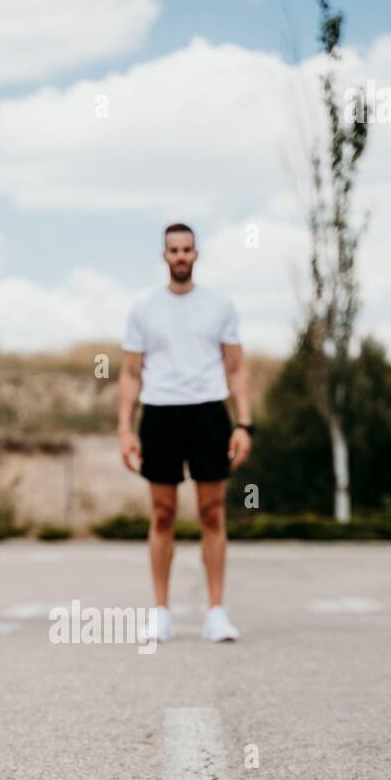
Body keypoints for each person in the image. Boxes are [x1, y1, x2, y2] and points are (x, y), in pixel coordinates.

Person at [117, 222, 252, 642]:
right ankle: (161, 612)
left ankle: (216, 612)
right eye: (173, 250)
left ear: (196, 255)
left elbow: (235, 366)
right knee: (163, 514)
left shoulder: (219, 305)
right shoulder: (143, 308)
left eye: (187, 250)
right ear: (164, 256)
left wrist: (244, 423)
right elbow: (129, 373)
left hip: (209, 412)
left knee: (212, 514)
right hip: (159, 414)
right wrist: (125, 429)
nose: (180, 256)